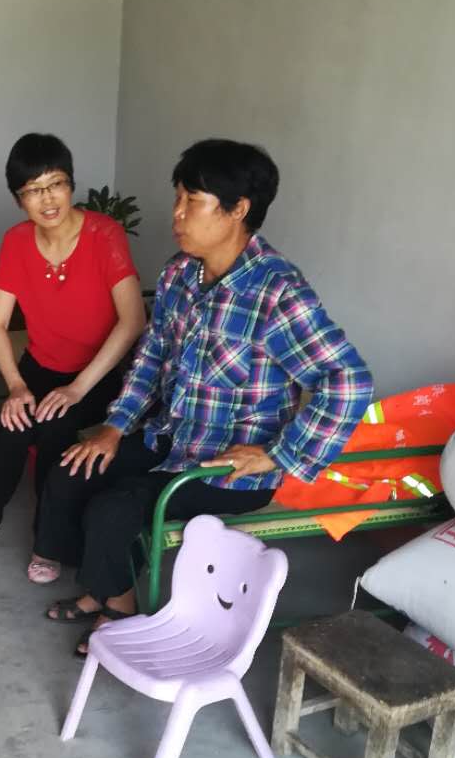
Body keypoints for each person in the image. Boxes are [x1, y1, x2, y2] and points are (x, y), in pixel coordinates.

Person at [36, 138, 374, 653]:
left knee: (114, 508)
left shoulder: (276, 292)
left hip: (228, 470)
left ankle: (118, 610)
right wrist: (115, 427)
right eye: (178, 198)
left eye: (192, 201)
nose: (177, 213)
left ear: (238, 210)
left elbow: (348, 380)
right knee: (72, 469)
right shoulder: (179, 273)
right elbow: (151, 357)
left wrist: (277, 455)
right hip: (172, 440)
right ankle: (103, 589)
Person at [0, 133, 145, 580]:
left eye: (55, 184)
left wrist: (77, 388)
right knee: (14, 425)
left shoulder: (104, 235)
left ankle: (47, 541)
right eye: (33, 190)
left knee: (55, 427)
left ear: (71, 184)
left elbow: (132, 320)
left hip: (97, 375)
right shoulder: (17, 241)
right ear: (19, 200)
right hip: (39, 367)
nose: (47, 198)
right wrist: (16, 386)